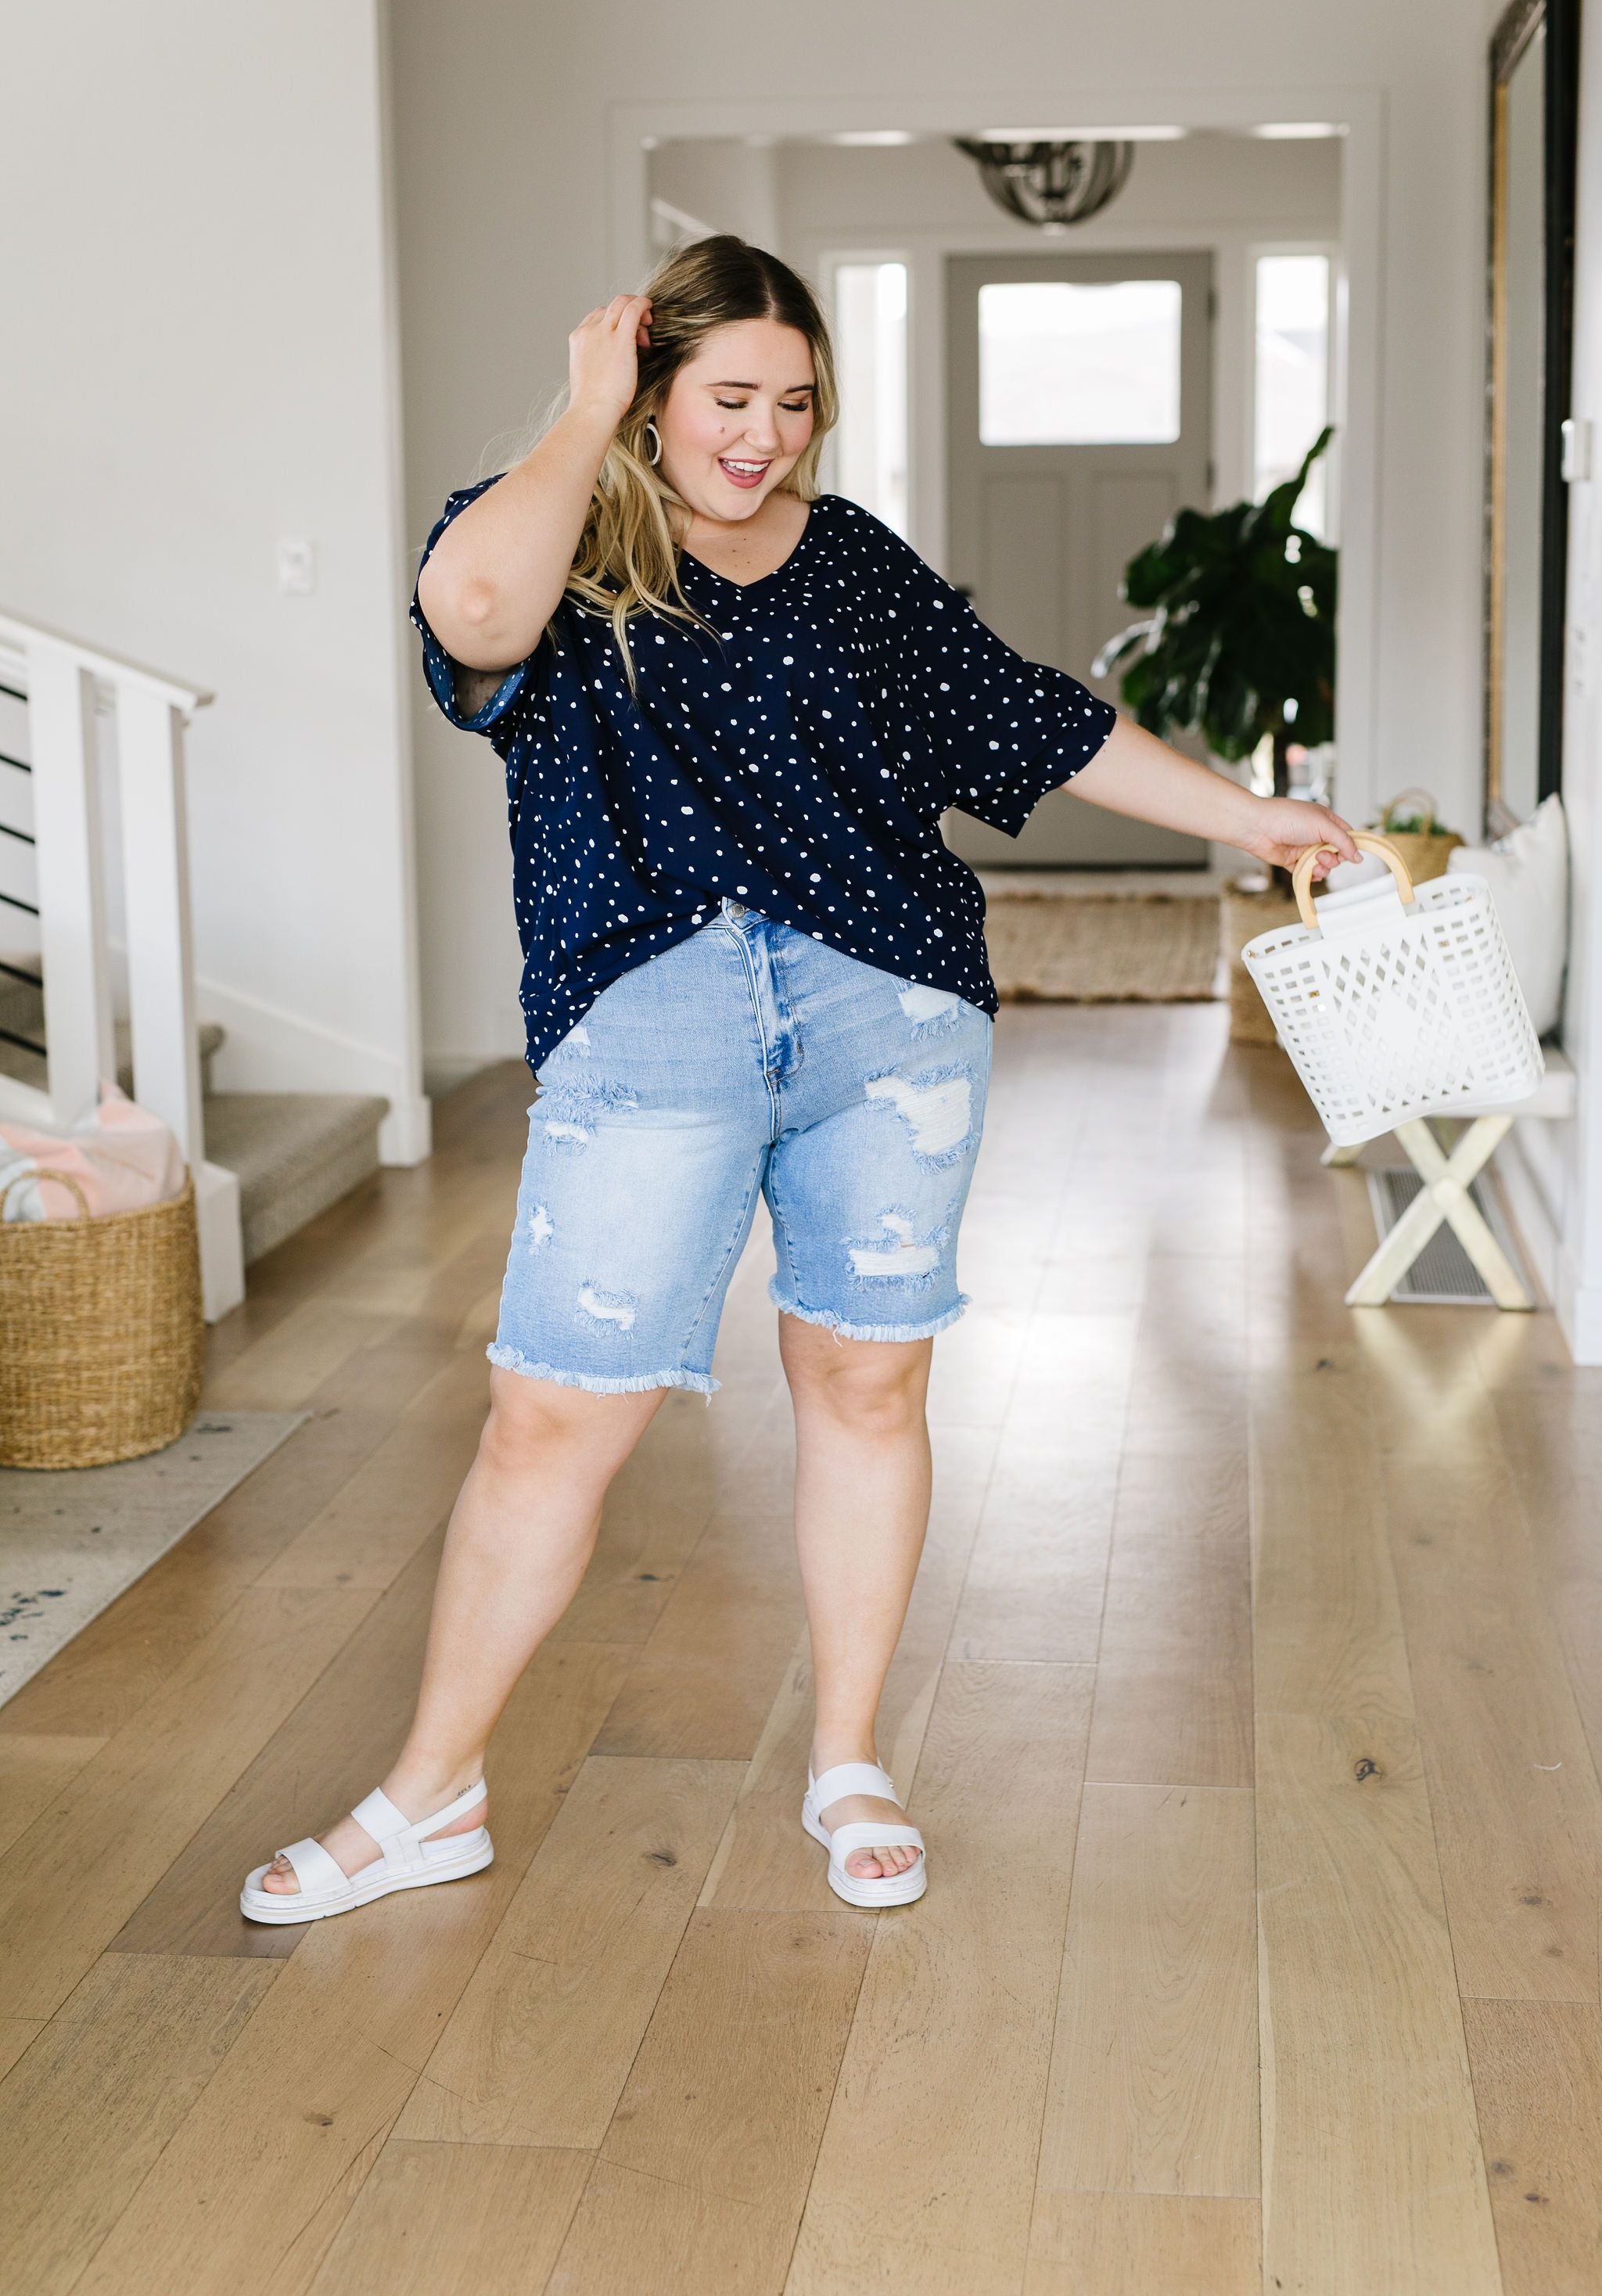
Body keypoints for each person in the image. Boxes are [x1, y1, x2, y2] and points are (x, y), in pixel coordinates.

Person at [242, 235, 1357, 1923]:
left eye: (794, 403)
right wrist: (583, 410)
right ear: (653, 389)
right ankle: (428, 1795)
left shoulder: (850, 562)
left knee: (863, 1389)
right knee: (553, 1411)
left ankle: (846, 1758)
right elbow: (472, 620)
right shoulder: (554, 527)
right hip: (653, 1012)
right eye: (727, 399)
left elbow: (1032, 719)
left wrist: (1254, 815)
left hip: (887, 1015)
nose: (763, 436)